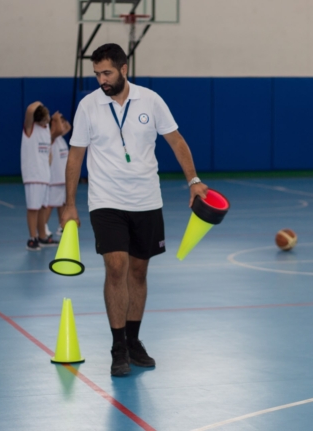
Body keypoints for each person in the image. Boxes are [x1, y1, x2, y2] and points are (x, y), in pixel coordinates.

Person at [61, 43, 209, 377]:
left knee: (139, 272)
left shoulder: (151, 101)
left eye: (107, 72)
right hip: (106, 201)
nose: (101, 79)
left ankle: (133, 341)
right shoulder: (88, 106)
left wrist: (194, 181)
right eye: (97, 74)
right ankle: (118, 348)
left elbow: (176, 141)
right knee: (116, 267)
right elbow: (75, 156)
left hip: (146, 200)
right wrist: (69, 204)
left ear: (124, 69)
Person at [21, 101, 64, 251]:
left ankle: (42, 237)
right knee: (33, 208)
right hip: (33, 175)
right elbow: (30, 109)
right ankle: (32, 238)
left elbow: (49, 154)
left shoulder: (46, 130)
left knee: (43, 208)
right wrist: (40, 104)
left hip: (45, 175)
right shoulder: (30, 128)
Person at [44, 116, 72, 236]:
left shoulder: (60, 138)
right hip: (55, 179)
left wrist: (60, 120)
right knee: (50, 205)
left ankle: (62, 226)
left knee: (62, 203)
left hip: (63, 178)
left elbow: (68, 127)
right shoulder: (51, 137)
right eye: (60, 122)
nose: (63, 124)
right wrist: (55, 118)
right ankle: (42, 227)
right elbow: (60, 129)